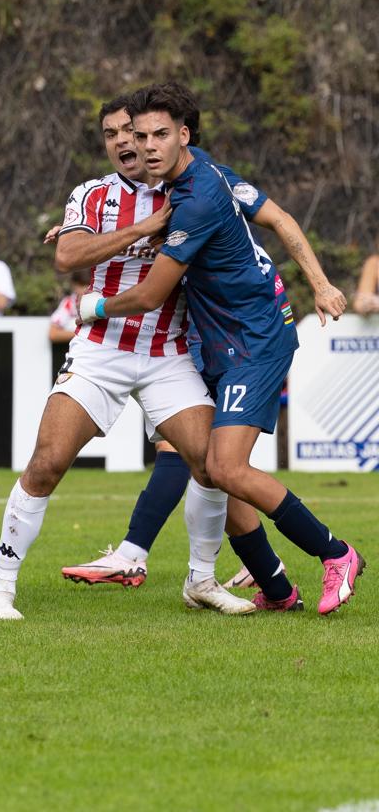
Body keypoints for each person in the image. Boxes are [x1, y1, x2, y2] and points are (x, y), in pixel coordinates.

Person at [78, 82, 361, 616]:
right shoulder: (204, 170)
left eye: (161, 134)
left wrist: (95, 308)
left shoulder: (198, 200)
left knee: (225, 469)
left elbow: (151, 293)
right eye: (140, 136)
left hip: (255, 337)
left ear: (184, 135)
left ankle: (336, 553)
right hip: (222, 338)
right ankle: (277, 590)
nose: (147, 146)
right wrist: (319, 284)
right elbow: (279, 218)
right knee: (207, 464)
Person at [0, 95, 254, 621]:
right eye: (111, 134)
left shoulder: (194, 188)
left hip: (168, 353)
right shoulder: (94, 194)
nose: (124, 142)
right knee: (47, 461)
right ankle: (1, 590)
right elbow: (67, 255)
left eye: (132, 131)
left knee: (211, 466)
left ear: (160, 136)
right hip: (102, 349)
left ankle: (201, 580)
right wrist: (145, 229)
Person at [48, 270, 90, 343]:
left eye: (89, 285)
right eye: (82, 285)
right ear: (74, 285)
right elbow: (53, 334)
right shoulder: (69, 304)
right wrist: (84, 334)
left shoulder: (103, 302)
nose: (86, 290)